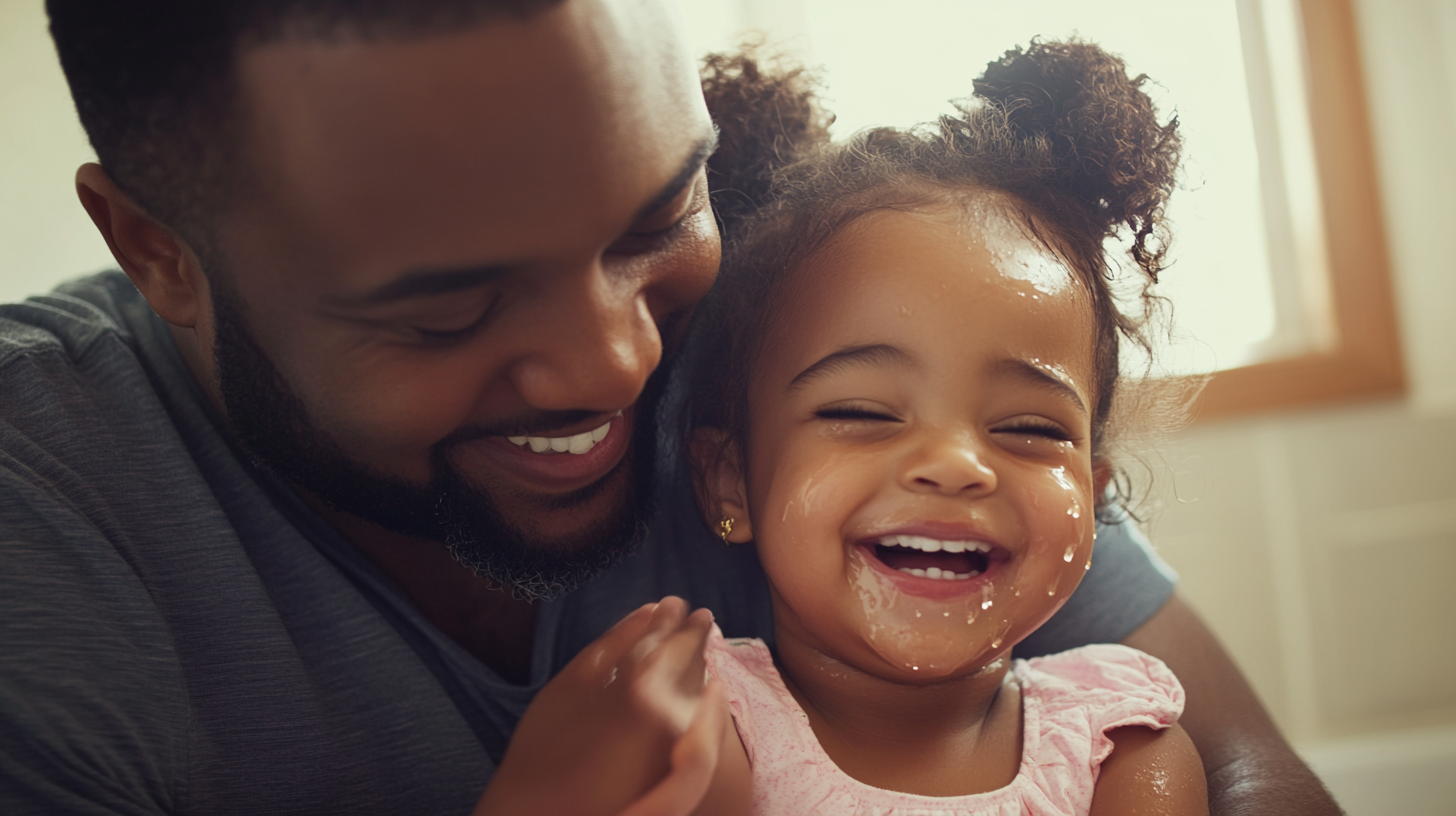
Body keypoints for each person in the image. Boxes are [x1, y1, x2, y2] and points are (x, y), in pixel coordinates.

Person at [0, 0, 1339, 814]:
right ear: (158, 251)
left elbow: (1250, 773)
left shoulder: (799, 310)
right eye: (448, 310)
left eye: (657, 219)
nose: (616, 367)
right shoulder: (43, 526)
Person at [678, 40, 1205, 815]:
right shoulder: (701, 724)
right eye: (859, 412)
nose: (956, 463)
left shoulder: (1122, 748)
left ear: (1094, 502)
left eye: (1029, 428)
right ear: (732, 480)